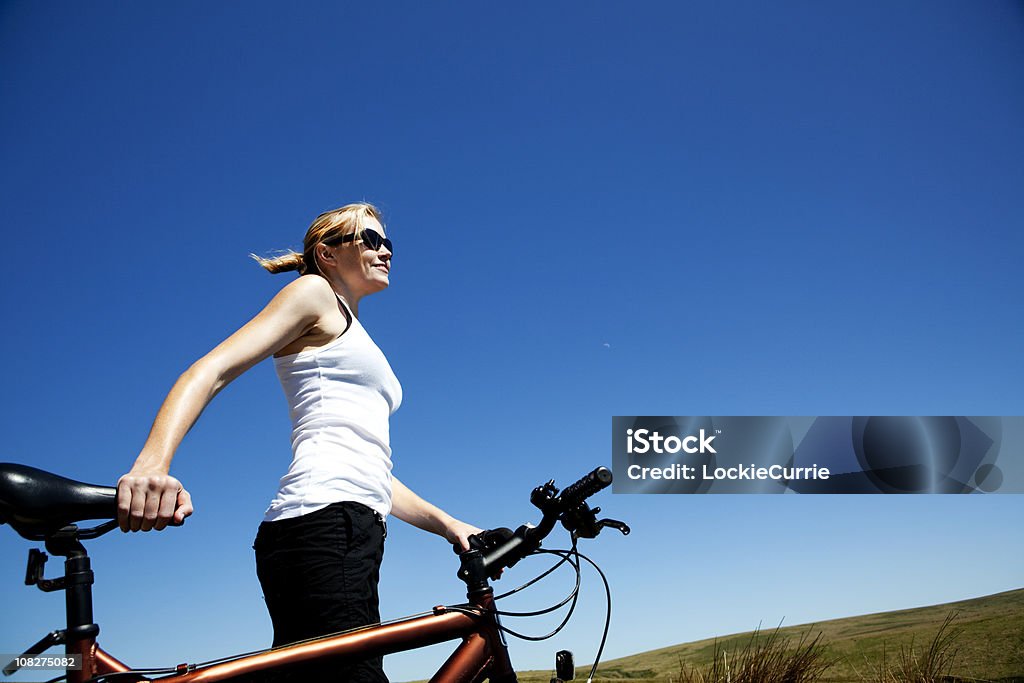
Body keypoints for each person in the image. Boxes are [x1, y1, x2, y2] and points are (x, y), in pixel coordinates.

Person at [116, 202, 481, 683]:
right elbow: (211, 369)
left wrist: (451, 524)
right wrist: (152, 464)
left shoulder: (352, 328)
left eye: (388, 242)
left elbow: (371, 472)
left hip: (345, 523)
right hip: (324, 524)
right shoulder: (313, 293)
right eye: (369, 240)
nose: (385, 250)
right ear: (327, 254)